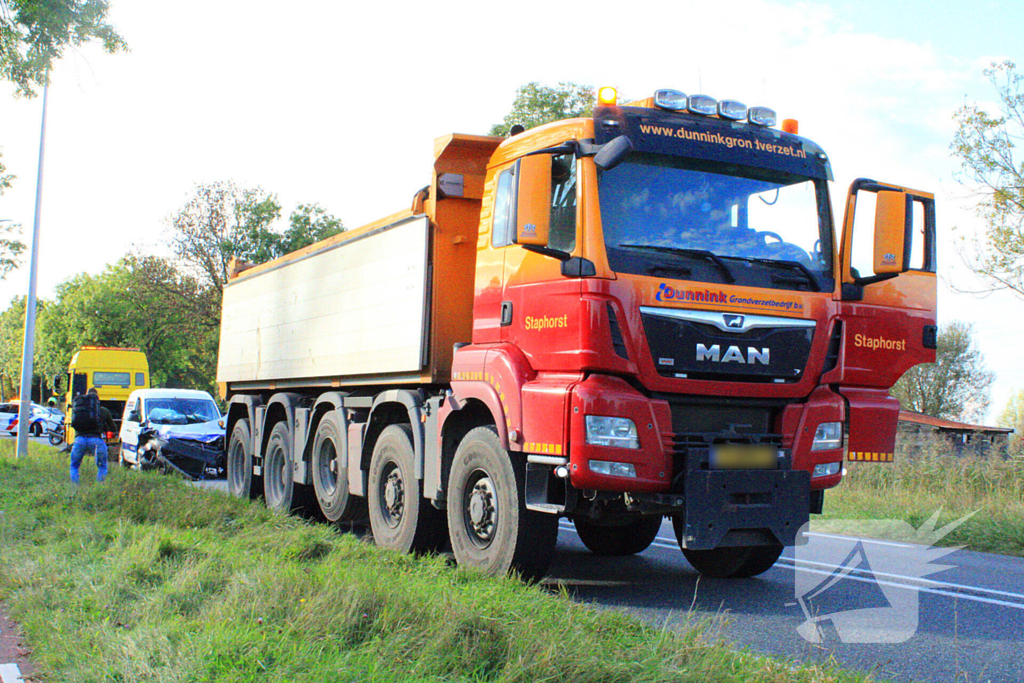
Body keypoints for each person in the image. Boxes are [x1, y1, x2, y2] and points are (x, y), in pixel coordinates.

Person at [69, 387, 115, 483]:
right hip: (96, 439)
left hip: (79, 439)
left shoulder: (80, 409)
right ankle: (99, 486)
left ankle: (75, 487)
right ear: (97, 398)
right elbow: (113, 427)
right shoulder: (103, 410)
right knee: (102, 465)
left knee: (74, 466)